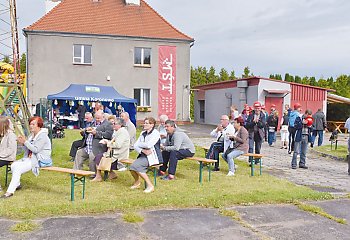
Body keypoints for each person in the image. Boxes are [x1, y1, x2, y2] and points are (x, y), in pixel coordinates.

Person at [1, 116, 52, 198]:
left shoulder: (43, 136)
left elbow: (36, 150)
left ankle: (9, 192)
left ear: (39, 125)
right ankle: (17, 184)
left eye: (33, 124)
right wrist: (22, 143)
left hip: (39, 159)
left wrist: (25, 142)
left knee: (17, 168)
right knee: (14, 165)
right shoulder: (31, 135)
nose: (31, 126)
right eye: (30, 124)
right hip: (30, 157)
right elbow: (28, 149)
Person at [129, 117, 163, 193]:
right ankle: (137, 182)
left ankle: (150, 185)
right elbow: (135, 145)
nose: (144, 124)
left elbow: (149, 145)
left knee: (136, 167)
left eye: (147, 123)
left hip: (153, 156)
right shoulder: (142, 133)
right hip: (144, 155)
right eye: (144, 123)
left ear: (152, 125)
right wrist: (142, 150)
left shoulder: (156, 133)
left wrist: (140, 145)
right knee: (131, 167)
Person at [91, 118, 130, 182]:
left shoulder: (122, 132)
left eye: (115, 124)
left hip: (119, 155)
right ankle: (111, 174)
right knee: (100, 156)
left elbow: (118, 145)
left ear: (120, 125)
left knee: (98, 158)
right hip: (114, 153)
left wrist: (107, 143)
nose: (113, 125)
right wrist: (107, 141)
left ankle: (98, 176)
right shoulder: (118, 131)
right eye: (113, 123)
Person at [0, 117, 17, 192]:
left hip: (8, 157)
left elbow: (10, 150)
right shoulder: (3, 134)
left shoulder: (11, 135)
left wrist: (0, 154)